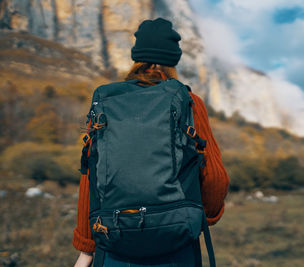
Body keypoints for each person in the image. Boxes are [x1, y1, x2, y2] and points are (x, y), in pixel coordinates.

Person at [73, 17, 229, 267]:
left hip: (114, 239)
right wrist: (204, 215)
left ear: (137, 58)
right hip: (176, 240)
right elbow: (214, 177)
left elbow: (90, 178)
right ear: (173, 60)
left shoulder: (107, 103)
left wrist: (86, 250)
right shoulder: (188, 101)